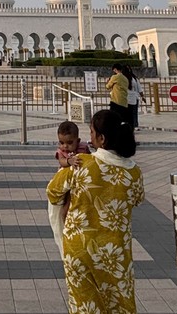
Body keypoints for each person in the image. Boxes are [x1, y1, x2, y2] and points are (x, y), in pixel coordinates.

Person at [47, 109, 144, 314]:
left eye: (91, 132)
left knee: (85, 306)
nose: (89, 137)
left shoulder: (82, 164)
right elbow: (137, 199)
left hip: (79, 248)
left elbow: (53, 192)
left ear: (101, 138)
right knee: (120, 305)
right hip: (114, 253)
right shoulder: (134, 172)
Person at [47, 120, 93, 252]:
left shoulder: (83, 148)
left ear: (77, 141)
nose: (65, 146)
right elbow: (61, 160)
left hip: (80, 182)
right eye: (61, 142)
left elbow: (90, 158)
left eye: (69, 143)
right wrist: (69, 161)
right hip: (66, 184)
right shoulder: (62, 152)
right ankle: (66, 217)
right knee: (66, 204)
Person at [123, 65, 141, 130]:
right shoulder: (124, 78)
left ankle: (132, 125)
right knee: (131, 112)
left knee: (131, 112)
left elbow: (139, 88)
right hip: (129, 98)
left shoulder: (132, 78)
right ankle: (131, 125)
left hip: (130, 98)